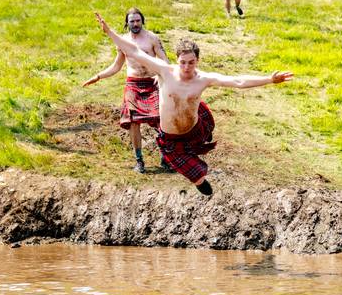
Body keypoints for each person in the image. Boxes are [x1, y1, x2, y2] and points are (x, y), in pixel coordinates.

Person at [94, 12, 293, 195]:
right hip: (171, 138)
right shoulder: (164, 71)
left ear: (197, 60)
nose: (187, 67)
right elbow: (134, 51)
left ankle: (202, 144)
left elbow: (238, 81)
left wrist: (269, 79)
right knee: (196, 176)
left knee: (203, 119)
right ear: (177, 60)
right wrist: (109, 32)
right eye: (183, 62)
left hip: (194, 129)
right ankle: (198, 181)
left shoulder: (203, 78)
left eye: (191, 62)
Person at [83, 8, 170, 174]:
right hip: (133, 84)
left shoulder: (152, 38)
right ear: (127, 23)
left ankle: (166, 157)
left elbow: (165, 60)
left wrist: (161, 74)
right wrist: (98, 76)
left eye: (138, 20)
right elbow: (117, 66)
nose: (135, 24)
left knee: (161, 120)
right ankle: (139, 161)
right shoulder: (122, 41)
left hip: (152, 83)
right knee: (133, 121)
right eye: (132, 21)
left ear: (142, 21)